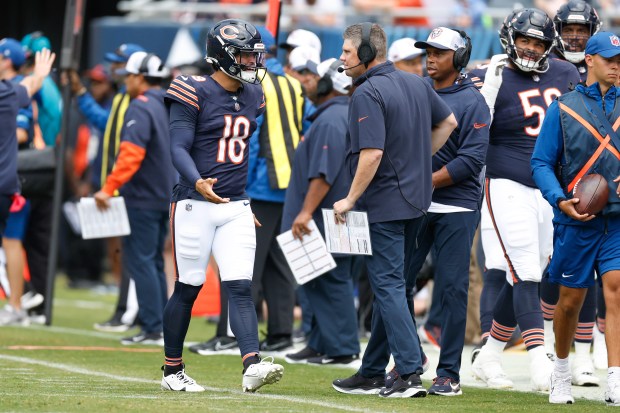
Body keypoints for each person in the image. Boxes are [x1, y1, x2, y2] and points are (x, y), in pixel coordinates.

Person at [331, 22, 456, 398]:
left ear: (367, 54)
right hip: (417, 200)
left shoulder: (368, 91)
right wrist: (418, 162)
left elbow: (371, 153)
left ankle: (408, 369)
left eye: (348, 52)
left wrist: (349, 199)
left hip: (384, 202)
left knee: (386, 287)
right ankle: (372, 371)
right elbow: (448, 122)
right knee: (395, 287)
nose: (342, 58)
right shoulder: (417, 82)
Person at [161, 19, 284, 393]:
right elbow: (178, 147)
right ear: (222, 57)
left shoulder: (254, 96)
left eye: (255, 56)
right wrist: (197, 180)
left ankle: (252, 365)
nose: (252, 63)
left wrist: (245, 198)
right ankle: (172, 371)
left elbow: (247, 151)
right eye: (246, 55)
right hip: (194, 204)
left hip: (235, 205)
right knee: (189, 287)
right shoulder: (192, 89)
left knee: (241, 287)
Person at [469, 8, 581, 391]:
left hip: (550, 187)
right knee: (524, 271)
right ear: (509, 38)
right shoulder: (491, 73)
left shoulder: (565, 73)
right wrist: (489, 91)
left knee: (539, 271)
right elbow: (474, 130)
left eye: (539, 42)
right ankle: (539, 358)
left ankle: (488, 355)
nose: (531, 49)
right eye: (525, 40)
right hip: (507, 182)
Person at [388, 27, 488, 396]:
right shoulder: (418, 93)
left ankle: (449, 374)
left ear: (458, 57)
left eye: (440, 53)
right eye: (428, 52)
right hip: (416, 203)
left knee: (453, 288)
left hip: (457, 206)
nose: (430, 58)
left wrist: (424, 181)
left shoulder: (473, 101)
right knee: (398, 282)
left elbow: (472, 160)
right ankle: (409, 360)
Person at [532, 31, 620, 405]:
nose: (617, 66)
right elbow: (540, 163)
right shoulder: (563, 107)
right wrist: (559, 199)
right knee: (569, 302)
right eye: (610, 60)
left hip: (616, 220)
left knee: (616, 290)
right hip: (575, 219)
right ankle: (562, 370)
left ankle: (615, 379)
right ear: (590, 61)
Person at [538, 0, 603, 386]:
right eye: (569, 29)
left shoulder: (607, 65)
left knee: (593, 274)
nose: (575, 36)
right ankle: (539, 344)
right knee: (533, 268)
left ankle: (584, 355)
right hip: (545, 175)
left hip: (593, 186)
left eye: (582, 30)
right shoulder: (542, 62)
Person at [281, 58, 360, 366]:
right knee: (317, 280)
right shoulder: (339, 115)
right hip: (337, 214)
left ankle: (342, 347)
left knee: (333, 280)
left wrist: (304, 212)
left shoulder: (331, 120)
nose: (309, 82)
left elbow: (323, 174)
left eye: (315, 77)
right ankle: (321, 341)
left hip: (327, 216)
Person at [94, 51, 174, 345]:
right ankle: (159, 326)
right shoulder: (167, 104)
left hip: (141, 195)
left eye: (129, 75)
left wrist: (109, 187)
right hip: (163, 193)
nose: (126, 81)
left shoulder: (139, 107)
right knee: (152, 261)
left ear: (140, 77)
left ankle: (152, 327)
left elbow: (131, 153)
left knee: (141, 261)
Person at [67, 42, 146, 332]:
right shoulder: (121, 99)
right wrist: (80, 94)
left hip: (132, 188)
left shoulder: (139, 100)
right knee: (117, 247)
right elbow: (104, 123)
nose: (113, 68)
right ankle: (125, 308)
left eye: (118, 63)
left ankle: (136, 313)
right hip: (116, 186)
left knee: (135, 251)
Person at [0, 48, 55, 298]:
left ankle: (18, 301)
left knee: (11, 242)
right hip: (8, 183)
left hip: (13, 181)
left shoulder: (8, 89)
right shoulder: (9, 91)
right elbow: (28, 87)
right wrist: (40, 74)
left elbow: (23, 131)